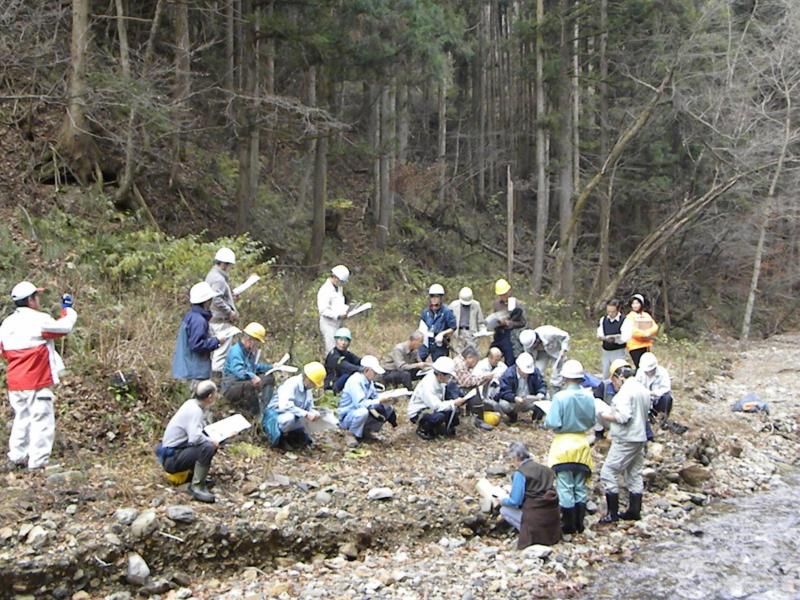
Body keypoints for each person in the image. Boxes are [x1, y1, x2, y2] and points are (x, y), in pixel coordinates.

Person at [0, 282, 78, 471]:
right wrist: (68, 309)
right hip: (36, 379)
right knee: (42, 420)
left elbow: (3, 350)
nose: (38, 300)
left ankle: (17, 456)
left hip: (16, 381)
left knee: (22, 417)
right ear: (30, 300)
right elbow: (65, 327)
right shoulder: (39, 320)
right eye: (37, 297)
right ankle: (38, 462)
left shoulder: (7, 323)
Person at [543, 360, 596, 534]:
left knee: (565, 485)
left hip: (563, 444)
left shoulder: (560, 397)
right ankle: (580, 524)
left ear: (565, 377)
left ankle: (568, 524)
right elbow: (592, 421)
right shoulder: (589, 396)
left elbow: (552, 422)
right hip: (582, 443)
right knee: (580, 484)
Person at [597, 362, 651, 523]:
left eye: (613, 381)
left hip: (626, 438)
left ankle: (612, 514)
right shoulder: (642, 389)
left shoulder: (625, 392)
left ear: (618, 377)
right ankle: (634, 511)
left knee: (608, 472)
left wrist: (603, 414)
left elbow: (623, 416)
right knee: (634, 473)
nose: (614, 385)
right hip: (640, 437)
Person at [156, 380, 219, 503]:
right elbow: (195, 438)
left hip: (176, 452)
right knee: (208, 447)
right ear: (210, 396)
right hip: (172, 458)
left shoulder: (191, 404)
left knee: (208, 441)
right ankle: (197, 486)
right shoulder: (195, 411)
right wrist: (211, 441)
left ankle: (193, 476)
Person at [497, 442, 561, 549]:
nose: (512, 462)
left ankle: (527, 533)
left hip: (534, 517)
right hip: (552, 517)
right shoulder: (546, 469)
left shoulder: (520, 473)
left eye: (512, 459)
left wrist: (502, 500)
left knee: (504, 510)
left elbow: (515, 502)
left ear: (517, 457)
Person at [172, 282, 225, 390]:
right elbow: (196, 345)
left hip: (187, 370)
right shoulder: (199, 320)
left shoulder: (191, 316)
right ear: (206, 301)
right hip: (194, 372)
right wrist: (217, 341)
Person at [263, 362, 326, 449]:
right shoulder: (291, 384)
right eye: (313, 383)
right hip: (277, 414)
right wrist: (306, 414)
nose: (314, 386)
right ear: (307, 378)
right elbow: (285, 406)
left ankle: (295, 437)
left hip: (296, 415)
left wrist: (314, 413)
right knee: (289, 418)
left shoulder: (307, 390)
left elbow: (309, 407)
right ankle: (282, 438)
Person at [338, 356, 397, 447]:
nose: (376, 375)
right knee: (363, 412)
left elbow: (374, 396)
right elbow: (360, 404)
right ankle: (351, 434)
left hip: (361, 411)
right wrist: (379, 401)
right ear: (366, 370)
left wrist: (388, 398)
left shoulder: (369, 382)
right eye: (374, 372)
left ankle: (367, 431)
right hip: (349, 415)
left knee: (388, 408)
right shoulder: (355, 381)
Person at [407, 356, 468, 440]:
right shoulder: (428, 386)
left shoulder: (440, 379)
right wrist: (453, 403)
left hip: (433, 405)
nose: (449, 378)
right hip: (419, 411)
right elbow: (436, 406)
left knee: (451, 405)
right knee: (439, 416)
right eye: (448, 376)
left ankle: (447, 427)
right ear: (440, 375)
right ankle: (424, 429)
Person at [221, 322, 273, 418]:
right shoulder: (236, 351)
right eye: (257, 342)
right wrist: (252, 376)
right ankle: (255, 416)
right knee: (250, 385)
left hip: (242, 383)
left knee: (269, 378)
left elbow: (254, 367)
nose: (258, 345)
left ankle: (265, 409)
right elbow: (239, 372)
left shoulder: (249, 352)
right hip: (231, 387)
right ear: (250, 340)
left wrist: (272, 367)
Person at [205, 247, 239, 374]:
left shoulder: (212, 275)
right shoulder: (219, 279)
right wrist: (229, 312)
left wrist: (230, 296)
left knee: (213, 354)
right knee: (220, 355)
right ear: (224, 264)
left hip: (213, 320)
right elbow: (216, 299)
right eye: (229, 265)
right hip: (220, 322)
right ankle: (215, 384)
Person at [488, 352, 546, 423]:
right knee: (504, 404)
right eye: (524, 371)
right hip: (514, 402)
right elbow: (504, 392)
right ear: (518, 368)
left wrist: (541, 393)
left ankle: (536, 419)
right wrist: (514, 398)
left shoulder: (535, 372)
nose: (526, 374)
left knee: (546, 398)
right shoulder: (508, 374)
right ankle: (512, 416)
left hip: (530, 400)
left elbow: (541, 384)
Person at [489, 279, 526, 366]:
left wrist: (508, 323)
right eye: (501, 295)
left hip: (511, 337)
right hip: (498, 335)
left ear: (509, 291)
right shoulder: (496, 304)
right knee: (491, 354)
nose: (503, 296)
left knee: (510, 361)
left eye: (504, 294)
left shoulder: (518, 304)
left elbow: (523, 322)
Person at [519, 326, 570, 390]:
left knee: (557, 370)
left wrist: (563, 349)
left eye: (534, 346)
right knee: (538, 370)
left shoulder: (549, 332)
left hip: (555, 351)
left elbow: (565, 336)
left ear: (536, 340)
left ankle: (556, 388)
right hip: (540, 354)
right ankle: (540, 387)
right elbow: (528, 355)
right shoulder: (527, 344)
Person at [317, 265, 351, 353]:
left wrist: (347, 310)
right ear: (335, 277)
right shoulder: (325, 290)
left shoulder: (339, 288)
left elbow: (338, 304)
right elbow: (323, 310)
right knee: (332, 350)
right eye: (341, 281)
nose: (342, 284)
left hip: (339, 323)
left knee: (343, 349)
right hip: (329, 325)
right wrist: (338, 315)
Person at [418, 284, 456, 361]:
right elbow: (421, 327)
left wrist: (442, 334)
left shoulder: (447, 312)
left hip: (440, 344)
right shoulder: (426, 312)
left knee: (440, 364)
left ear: (441, 298)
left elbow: (453, 328)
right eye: (432, 296)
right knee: (417, 359)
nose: (434, 299)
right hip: (426, 341)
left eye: (436, 296)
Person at [452, 347, 493, 418]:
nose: (474, 365)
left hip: (456, 385)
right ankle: (478, 416)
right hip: (454, 388)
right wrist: (483, 377)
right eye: (474, 362)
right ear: (469, 358)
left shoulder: (461, 360)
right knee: (473, 390)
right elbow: (467, 382)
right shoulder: (460, 365)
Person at [621, 293, 659, 368]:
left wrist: (649, 332)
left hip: (646, 345)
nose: (635, 305)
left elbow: (654, 326)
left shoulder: (646, 315)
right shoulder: (630, 317)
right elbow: (633, 331)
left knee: (647, 366)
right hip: (634, 346)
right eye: (633, 303)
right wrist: (643, 334)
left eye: (637, 303)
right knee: (639, 366)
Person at [448, 287, 486, 355]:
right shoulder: (453, 305)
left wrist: (482, 331)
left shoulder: (476, 305)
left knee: (472, 354)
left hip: (471, 333)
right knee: (458, 355)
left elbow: (481, 321)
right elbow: (448, 320)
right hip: (458, 333)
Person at [636, 352, 673, 420]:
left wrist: (654, 393)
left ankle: (663, 419)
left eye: (651, 370)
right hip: (645, 401)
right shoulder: (640, 372)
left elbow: (666, 388)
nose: (649, 372)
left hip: (658, 401)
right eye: (647, 371)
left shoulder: (663, 372)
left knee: (667, 398)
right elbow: (636, 387)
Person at [324, 327, 362, 392]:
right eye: (341, 340)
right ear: (336, 341)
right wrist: (361, 369)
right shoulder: (333, 355)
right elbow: (345, 365)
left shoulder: (347, 353)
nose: (343, 343)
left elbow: (359, 361)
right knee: (351, 373)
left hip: (342, 381)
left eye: (346, 340)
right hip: (332, 385)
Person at [596, 299, 627, 378]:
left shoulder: (624, 320)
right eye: (608, 311)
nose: (610, 314)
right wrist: (602, 337)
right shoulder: (603, 319)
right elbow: (600, 332)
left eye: (612, 312)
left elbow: (625, 337)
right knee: (606, 372)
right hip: (606, 350)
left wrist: (616, 339)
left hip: (618, 351)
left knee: (618, 373)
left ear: (618, 310)